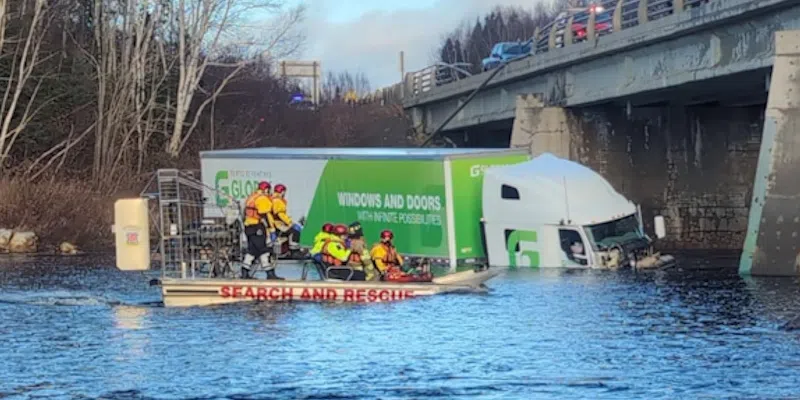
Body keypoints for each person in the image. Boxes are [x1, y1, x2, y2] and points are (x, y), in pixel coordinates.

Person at [242, 181, 282, 280]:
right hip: (257, 226)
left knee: (252, 250)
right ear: (266, 189)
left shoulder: (252, 197)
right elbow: (266, 215)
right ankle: (270, 273)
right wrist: (272, 230)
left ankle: (244, 271)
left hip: (248, 226)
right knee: (264, 250)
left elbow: (245, 213)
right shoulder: (263, 199)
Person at [271, 184, 303, 249]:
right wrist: (290, 222)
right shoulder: (277, 201)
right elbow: (280, 214)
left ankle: (288, 247)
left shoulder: (274, 199)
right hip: (278, 224)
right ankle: (294, 248)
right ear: (282, 191)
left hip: (277, 223)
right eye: (284, 191)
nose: (285, 193)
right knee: (295, 231)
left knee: (292, 231)